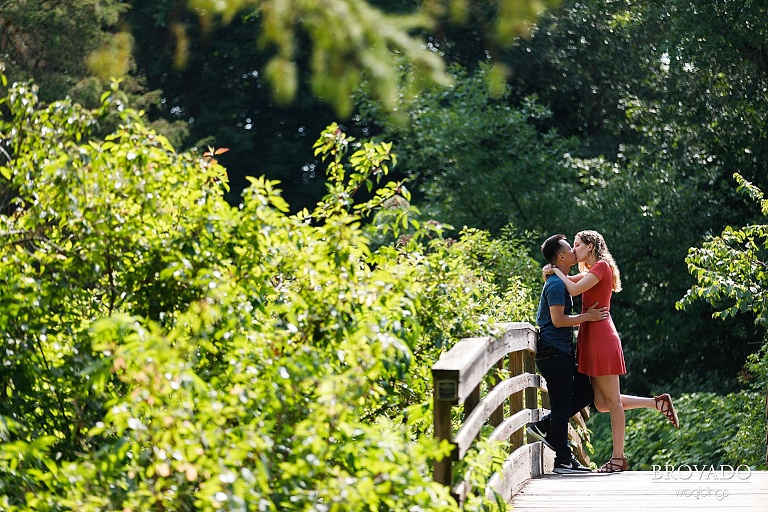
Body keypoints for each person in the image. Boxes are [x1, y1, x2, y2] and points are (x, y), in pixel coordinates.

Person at [546, 230, 679, 473]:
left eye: (577, 245)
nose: (574, 250)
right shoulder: (590, 271)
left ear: (590, 246)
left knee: (614, 402)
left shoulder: (603, 267)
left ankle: (618, 458)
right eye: (572, 246)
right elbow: (571, 282)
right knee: (602, 403)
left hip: (601, 338)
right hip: (590, 336)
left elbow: (573, 290)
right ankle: (655, 403)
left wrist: (555, 270)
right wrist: (556, 271)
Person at [527, 234, 609, 474]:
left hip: (560, 351)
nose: (574, 252)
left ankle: (545, 426)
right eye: (570, 249)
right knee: (563, 404)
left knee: (584, 392)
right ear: (561, 256)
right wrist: (587, 317)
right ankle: (562, 460)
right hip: (553, 352)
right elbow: (558, 320)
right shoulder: (554, 284)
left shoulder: (559, 280)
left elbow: (577, 285)